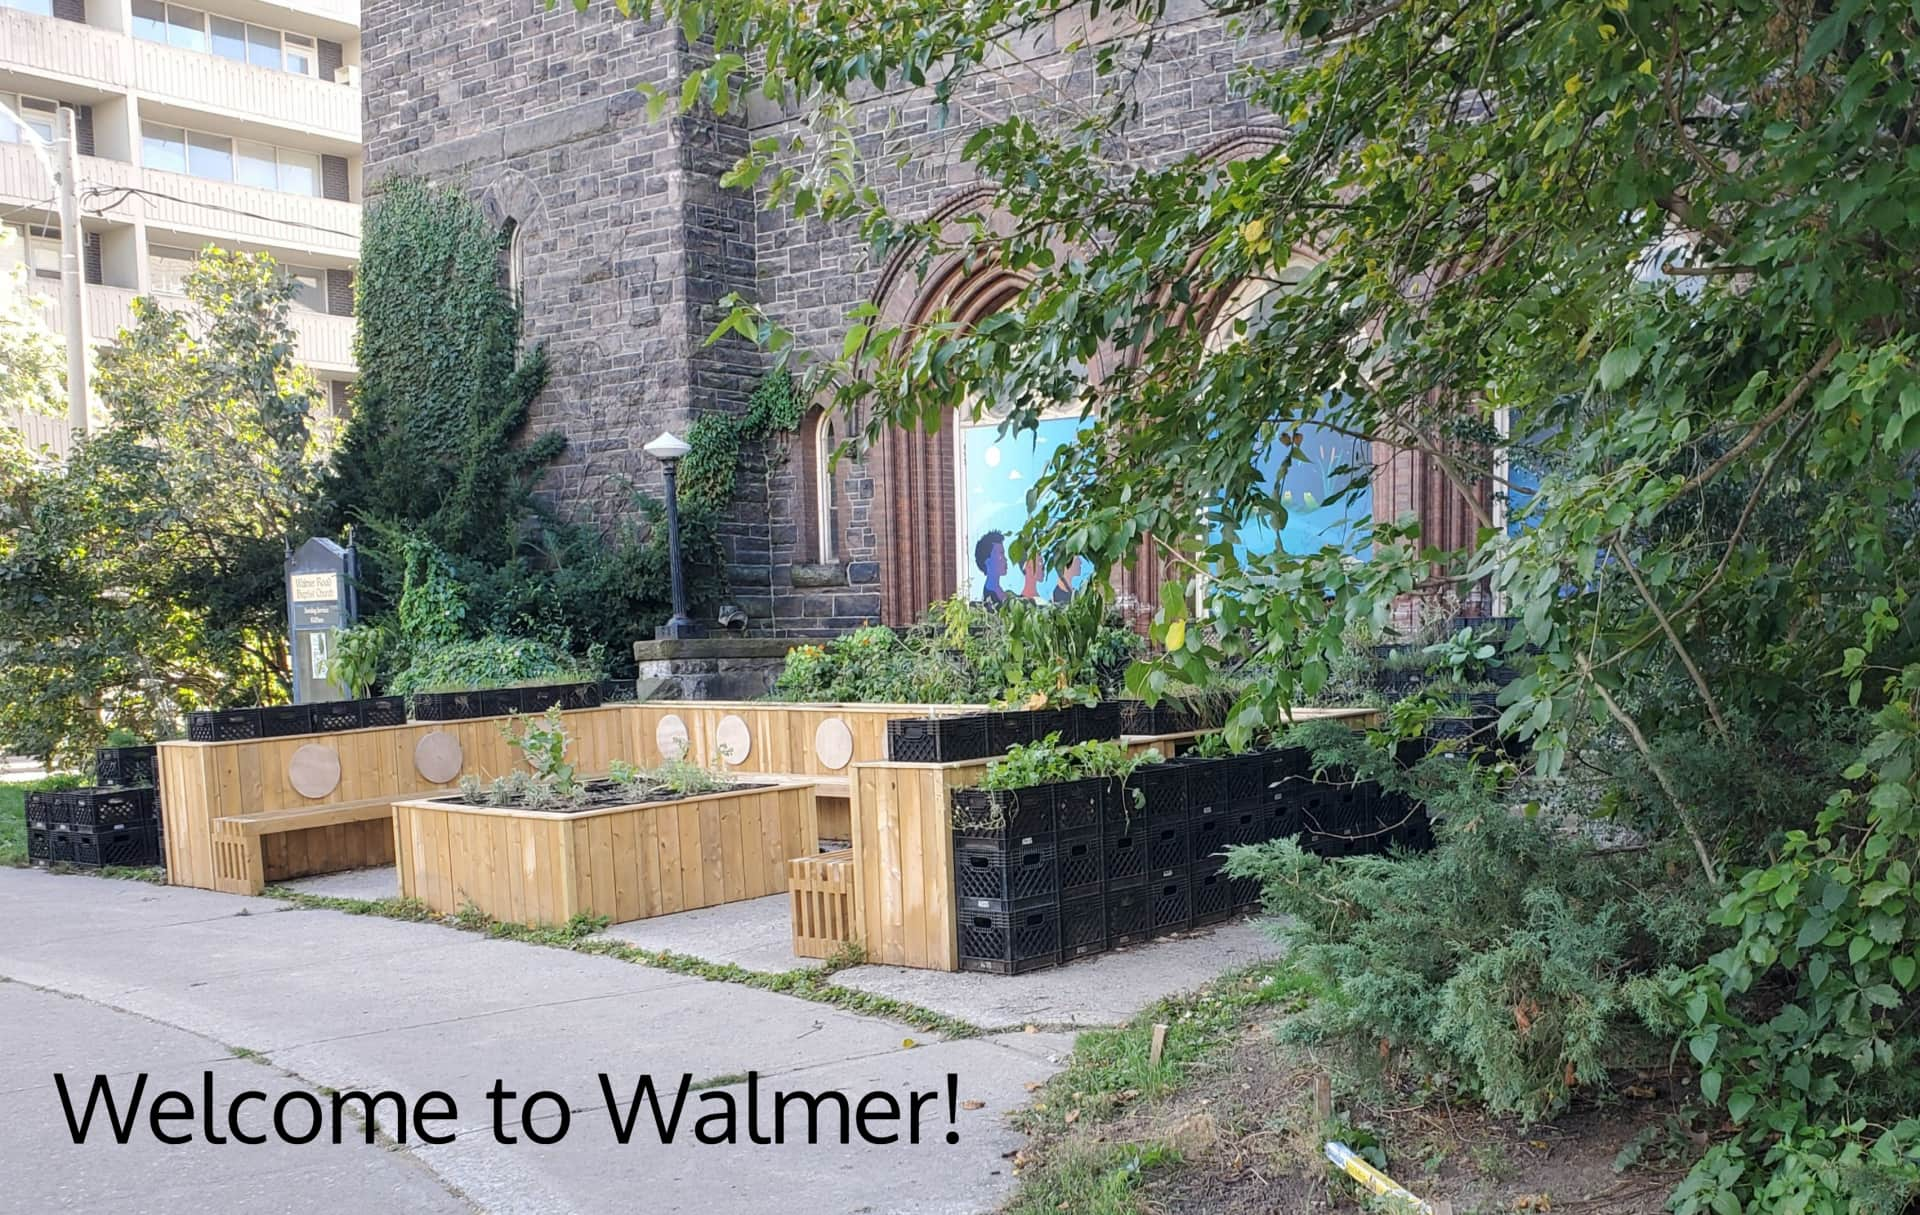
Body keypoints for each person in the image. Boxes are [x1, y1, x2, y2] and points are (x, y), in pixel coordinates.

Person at [975, 531, 1011, 605]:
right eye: (1001, 553)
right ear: (987, 561)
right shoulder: (989, 597)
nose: (1005, 559)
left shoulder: (998, 589)